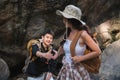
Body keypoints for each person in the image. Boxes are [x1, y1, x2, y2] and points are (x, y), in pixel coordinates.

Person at [55, 4, 101, 80]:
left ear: (70, 20)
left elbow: (98, 51)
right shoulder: (68, 32)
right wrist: (56, 54)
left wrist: (80, 58)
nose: (63, 20)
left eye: (64, 18)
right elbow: (66, 49)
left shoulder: (83, 34)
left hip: (78, 71)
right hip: (66, 70)